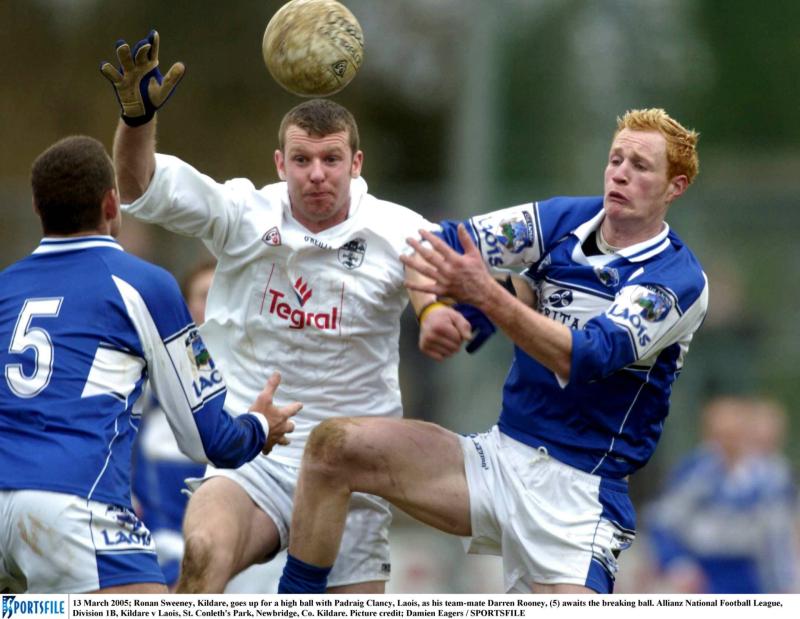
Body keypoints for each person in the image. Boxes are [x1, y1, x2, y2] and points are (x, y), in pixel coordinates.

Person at [99, 30, 483, 593]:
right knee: (203, 552)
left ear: (357, 162)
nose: (317, 174)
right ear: (281, 163)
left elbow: (424, 272)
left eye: (331, 159)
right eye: (302, 159)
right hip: (257, 455)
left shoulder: (395, 226)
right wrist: (136, 121)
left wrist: (432, 316)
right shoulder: (243, 213)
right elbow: (139, 184)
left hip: (356, 473)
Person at [278, 108, 709, 594]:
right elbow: (442, 245)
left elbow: (584, 357)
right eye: (616, 159)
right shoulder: (565, 220)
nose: (621, 173)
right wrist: (436, 310)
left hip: (579, 498)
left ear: (675, 187)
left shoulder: (677, 280)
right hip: (499, 461)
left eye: (641, 166)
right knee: (332, 448)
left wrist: (488, 296)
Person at [0, 136, 299, 593]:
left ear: (39, 209)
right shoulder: (142, 284)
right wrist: (259, 427)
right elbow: (206, 439)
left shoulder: (5, 287)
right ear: (112, 203)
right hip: (72, 506)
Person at [643, 396, 798, 593]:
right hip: (703, 572)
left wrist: (784, 583)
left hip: (749, 573)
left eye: (734, 434)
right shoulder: (695, 471)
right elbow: (662, 520)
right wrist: (677, 563)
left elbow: (777, 537)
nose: (728, 442)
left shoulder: (768, 476)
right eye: (721, 435)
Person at [131, 259, 216, 589]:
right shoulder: (158, 359)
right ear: (186, 305)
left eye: (221, 294)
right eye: (204, 295)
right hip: (161, 532)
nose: (213, 305)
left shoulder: (254, 367)